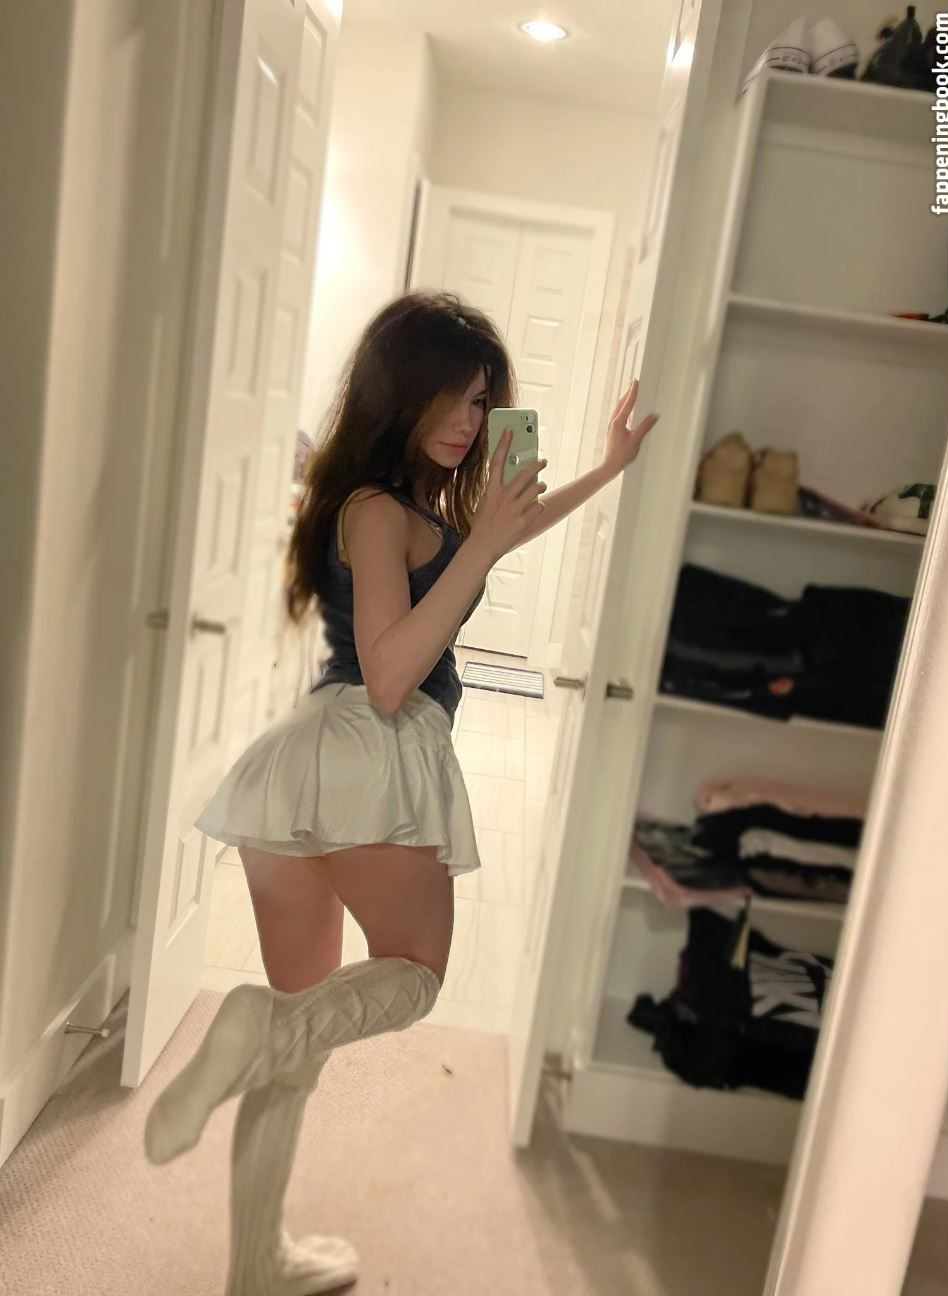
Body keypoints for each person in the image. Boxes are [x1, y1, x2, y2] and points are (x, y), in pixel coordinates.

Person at [143, 291, 657, 1294]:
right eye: (451, 397)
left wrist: (604, 469)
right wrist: (481, 545)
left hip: (303, 767)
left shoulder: (402, 508)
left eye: (482, 401)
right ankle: (259, 1028)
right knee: (412, 977)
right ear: (401, 391)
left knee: (296, 1042)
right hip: (371, 749)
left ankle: (258, 1263)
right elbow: (389, 677)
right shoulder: (377, 511)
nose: (469, 420)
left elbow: (499, 536)